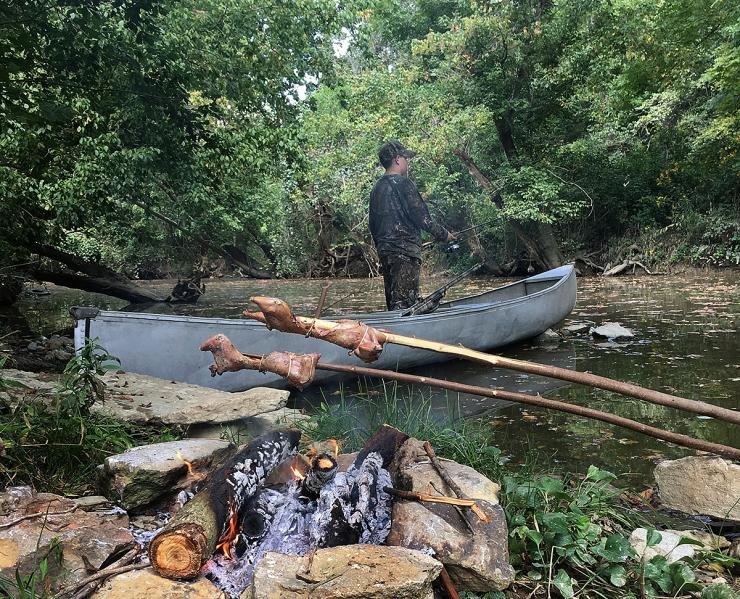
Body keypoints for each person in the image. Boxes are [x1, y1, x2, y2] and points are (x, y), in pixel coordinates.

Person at [369, 140, 455, 310]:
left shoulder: (376, 188)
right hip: (405, 253)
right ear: (398, 159)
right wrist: (445, 235)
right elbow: (422, 218)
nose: (408, 163)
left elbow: (373, 225)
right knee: (404, 305)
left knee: (394, 302)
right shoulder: (403, 183)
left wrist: (383, 247)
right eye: (406, 158)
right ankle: (404, 334)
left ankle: (394, 332)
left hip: (386, 253)